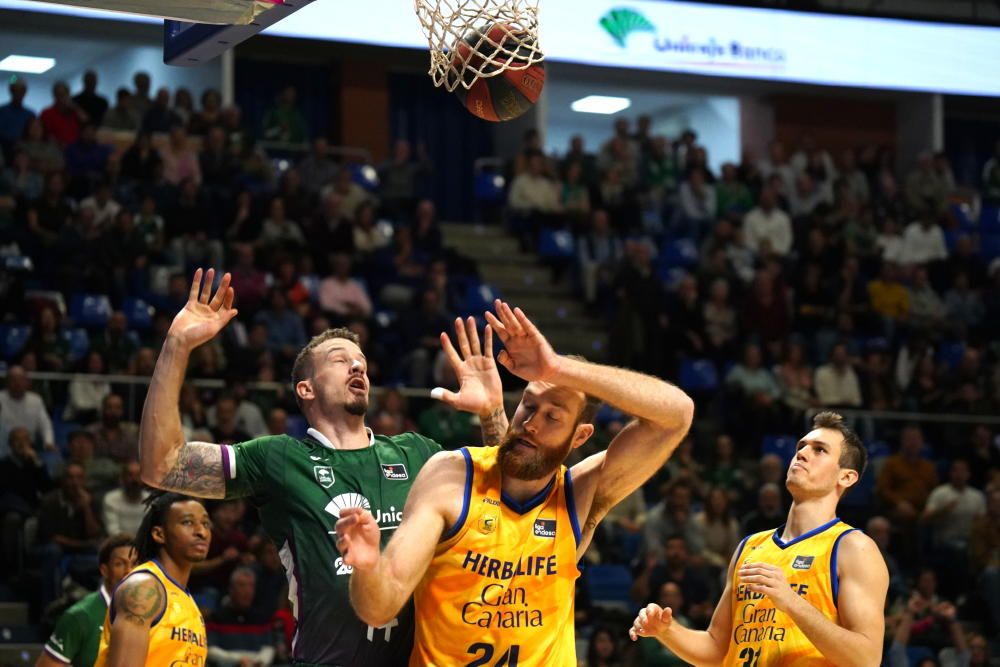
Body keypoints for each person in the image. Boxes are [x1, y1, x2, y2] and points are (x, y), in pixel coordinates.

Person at [137, 268, 509, 666]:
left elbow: (511, 495)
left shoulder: (416, 452)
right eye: (340, 360)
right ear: (306, 389)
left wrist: (493, 413)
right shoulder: (278, 458)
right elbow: (163, 465)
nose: (357, 367)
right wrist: (176, 344)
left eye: (362, 361)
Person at [338, 300, 695, 665]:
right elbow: (379, 608)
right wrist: (367, 567)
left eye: (553, 416)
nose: (532, 423)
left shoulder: (581, 494)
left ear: (580, 437)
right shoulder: (451, 476)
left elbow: (677, 414)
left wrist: (557, 368)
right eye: (528, 405)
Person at [629, 412, 889, 666]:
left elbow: (867, 658)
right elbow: (717, 648)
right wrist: (667, 631)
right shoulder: (750, 547)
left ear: (846, 477)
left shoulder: (853, 547)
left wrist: (791, 602)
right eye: (802, 446)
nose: (801, 453)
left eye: (819, 450)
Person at [94, 493, 210, 667]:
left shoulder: (186, 600)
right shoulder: (143, 589)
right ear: (159, 534)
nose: (201, 532)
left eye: (205, 523)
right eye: (187, 522)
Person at [37, 534, 135, 667]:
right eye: (120, 564)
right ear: (104, 570)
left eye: (135, 563)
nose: (129, 571)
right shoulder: (80, 616)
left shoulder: (155, 613)